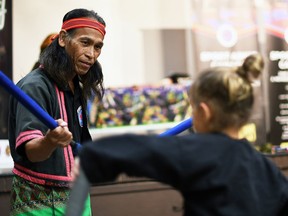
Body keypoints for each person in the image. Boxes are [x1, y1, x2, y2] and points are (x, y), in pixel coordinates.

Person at [74, 53, 288, 215]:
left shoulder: (202, 152)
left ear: (204, 112)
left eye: (193, 108)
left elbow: (140, 149)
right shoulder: (267, 169)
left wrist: (91, 155)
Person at [8, 8, 106, 216]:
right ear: (63, 39)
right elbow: (33, 152)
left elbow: (78, 146)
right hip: (39, 204)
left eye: (98, 47)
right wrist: (50, 141)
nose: (91, 54)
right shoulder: (34, 86)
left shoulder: (76, 85)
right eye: (85, 43)